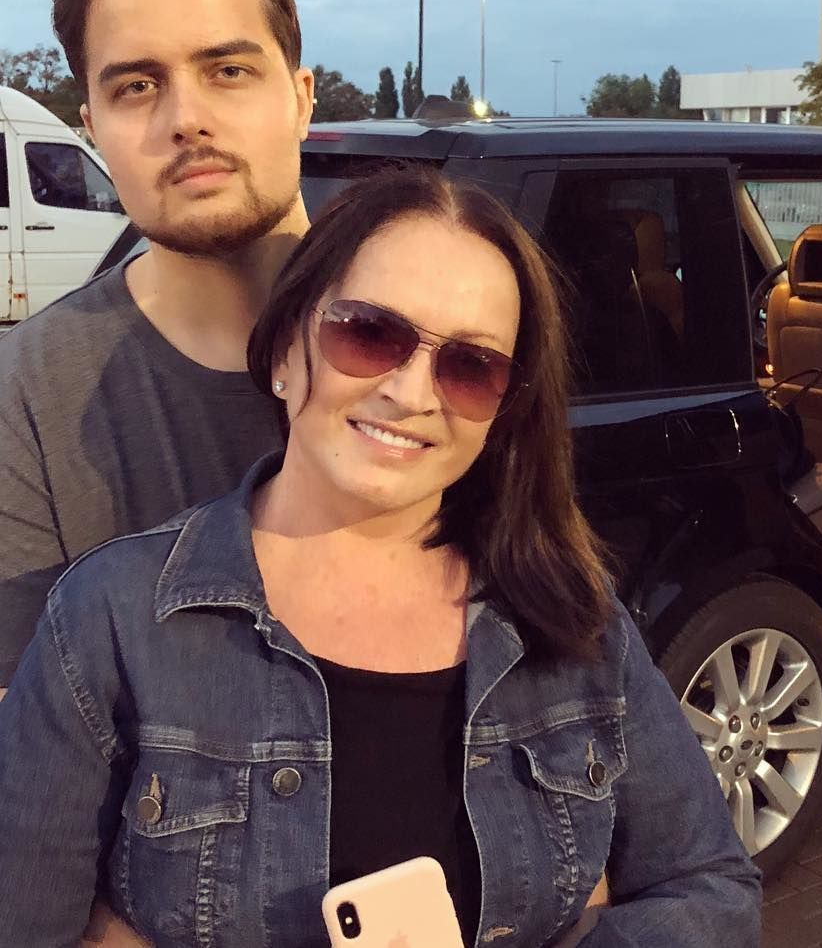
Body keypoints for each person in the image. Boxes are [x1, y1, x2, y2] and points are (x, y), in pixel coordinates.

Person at [0, 165, 762, 948]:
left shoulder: (571, 618)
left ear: (503, 410)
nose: (412, 392)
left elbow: (712, 889)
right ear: (284, 348)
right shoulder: (113, 620)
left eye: (471, 366)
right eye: (369, 333)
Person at [0, 0, 315, 690]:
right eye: (137, 86)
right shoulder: (26, 397)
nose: (186, 118)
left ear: (302, 98)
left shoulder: (433, 344)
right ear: (91, 130)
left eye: (229, 71)